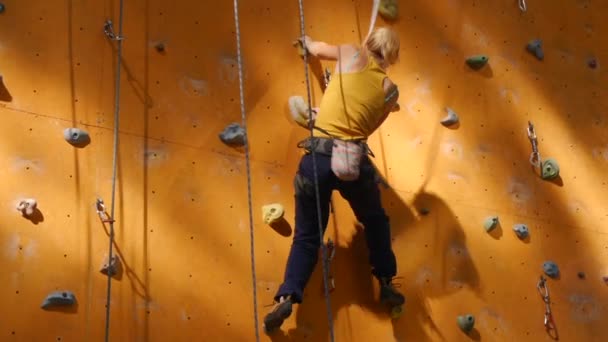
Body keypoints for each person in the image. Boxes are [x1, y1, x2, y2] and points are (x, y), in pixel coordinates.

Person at [264, 27, 404, 333]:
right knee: (376, 221)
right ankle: (385, 281)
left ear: (369, 43)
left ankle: (287, 296)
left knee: (307, 236)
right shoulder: (391, 91)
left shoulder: (351, 52)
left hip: (317, 157)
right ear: (392, 57)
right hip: (352, 161)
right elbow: (368, 126)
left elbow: (315, 48)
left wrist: (306, 42)